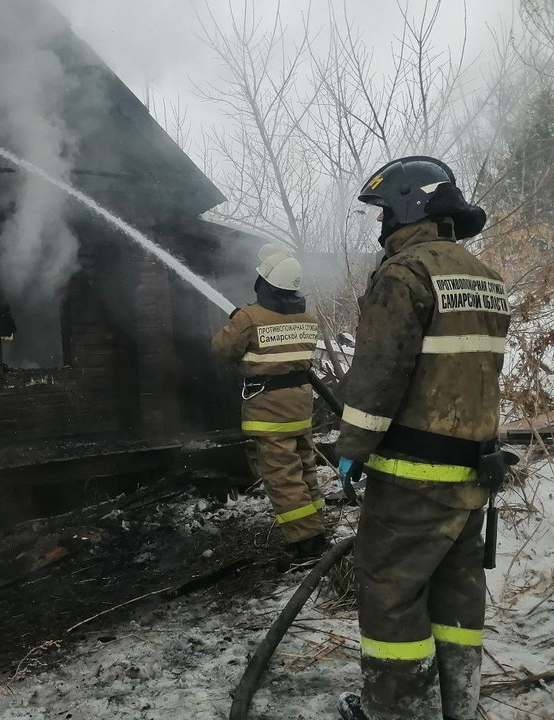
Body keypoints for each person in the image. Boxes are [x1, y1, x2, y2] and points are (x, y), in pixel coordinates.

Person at [334, 157, 511, 720]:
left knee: (391, 589)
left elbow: (380, 373)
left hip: (414, 473)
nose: (380, 224)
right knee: (456, 588)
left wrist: (352, 449)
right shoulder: (483, 275)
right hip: (473, 470)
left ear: (410, 204)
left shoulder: (405, 273)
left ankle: (397, 711)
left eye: (384, 210)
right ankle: (458, 705)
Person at [212, 246, 327, 561]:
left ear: (264, 282)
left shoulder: (250, 317)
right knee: (305, 468)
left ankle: (307, 543)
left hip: (269, 411)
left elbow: (222, 350)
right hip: (300, 408)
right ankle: (317, 527)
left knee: (282, 476)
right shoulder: (308, 316)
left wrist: (237, 321)